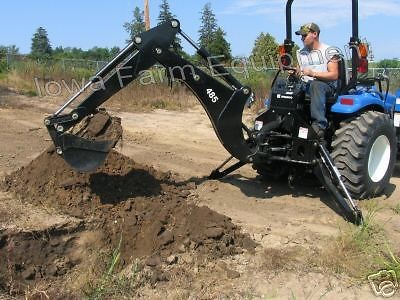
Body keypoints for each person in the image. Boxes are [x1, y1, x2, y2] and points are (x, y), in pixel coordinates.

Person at [294, 23, 339, 138]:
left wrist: (313, 73)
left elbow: (334, 75)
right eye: (301, 36)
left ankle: (319, 126)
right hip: (306, 85)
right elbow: (301, 72)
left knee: (316, 85)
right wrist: (296, 72)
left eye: (304, 35)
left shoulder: (329, 51)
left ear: (315, 34)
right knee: (283, 86)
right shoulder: (300, 52)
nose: (302, 38)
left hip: (326, 86)